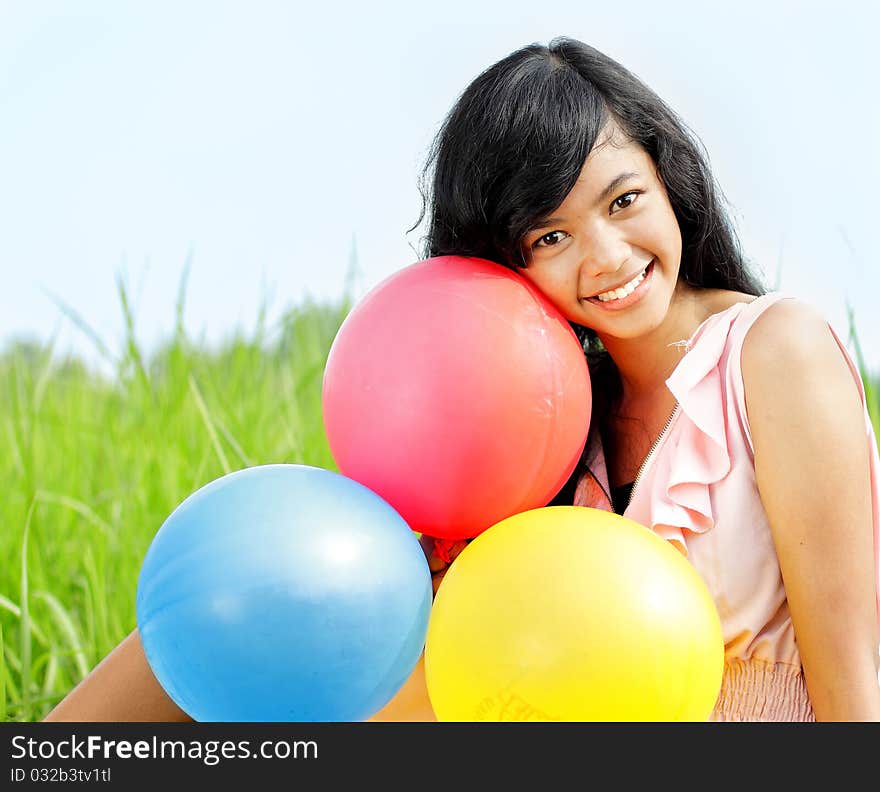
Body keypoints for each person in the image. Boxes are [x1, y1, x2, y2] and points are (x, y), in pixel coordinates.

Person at [44, 37, 879, 723]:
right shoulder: (550, 415)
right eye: (549, 237)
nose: (607, 258)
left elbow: (853, 682)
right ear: (504, 263)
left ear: (669, 178)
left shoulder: (776, 351)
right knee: (247, 597)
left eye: (623, 200)